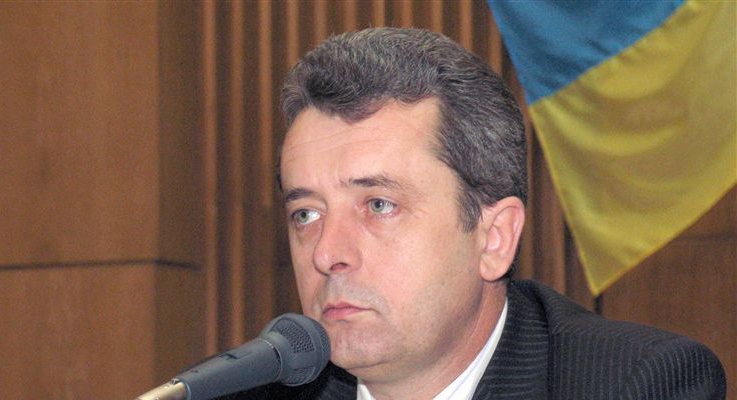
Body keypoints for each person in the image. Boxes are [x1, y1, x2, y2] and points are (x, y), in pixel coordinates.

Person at [228, 28, 726, 400]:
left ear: (494, 239)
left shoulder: (633, 384)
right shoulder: (251, 393)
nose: (326, 254)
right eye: (306, 214)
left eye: (379, 205)